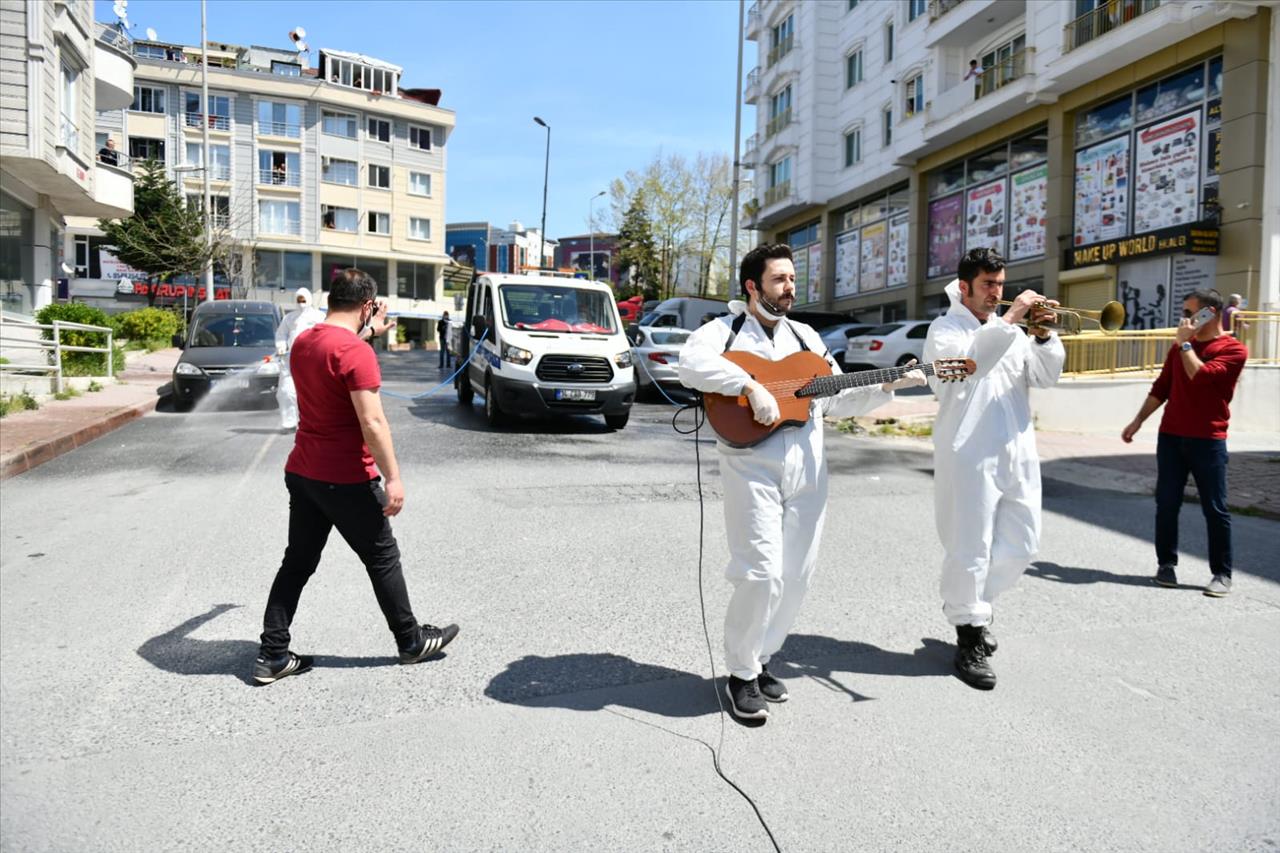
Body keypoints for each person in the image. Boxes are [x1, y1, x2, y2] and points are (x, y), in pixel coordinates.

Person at [678, 244, 925, 721]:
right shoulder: (722, 331)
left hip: (810, 470)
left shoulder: (808, 337)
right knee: (760, 572)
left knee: (796, 576)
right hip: (752, 464)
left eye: (792, 279)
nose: (790, 287)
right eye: (779, 279)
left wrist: (888, 385)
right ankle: (741, 674)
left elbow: (834, 398)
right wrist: (748, 386)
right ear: (752, 286)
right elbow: (691, 364)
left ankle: (763, 658)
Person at [253, 268, 459, 684]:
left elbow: (335, 356)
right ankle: (411, 641)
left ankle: (272, 654)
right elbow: (374, 423)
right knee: (382, 557)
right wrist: (394, 478)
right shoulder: (354, 352)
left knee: (297, 563)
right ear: (367, 305)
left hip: (304, 471)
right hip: (345, 476)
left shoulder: (305, 341)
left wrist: (368, 334)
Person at [923, 247, 1064, 691]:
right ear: (964, 286)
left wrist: (1042, 336)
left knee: (1023, 544)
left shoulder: (1014, 333)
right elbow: (968, 367)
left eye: (1001, 285)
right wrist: (1014, 318)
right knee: (970, 546)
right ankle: (969, 635)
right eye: (988, 285)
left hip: (1016, 448)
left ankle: (972, 609)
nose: (996, 293)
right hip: (968, 453)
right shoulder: (944, 331)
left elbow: (1045, 378)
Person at [1121, 288, 1248, 597]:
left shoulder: (1233, 350)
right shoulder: (1180, 347)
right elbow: (1163, 387)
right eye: (1185, 313)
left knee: (1215, 508)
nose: (1185, 319)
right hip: (1171, 438)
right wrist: (1138, 421)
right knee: (1166, 503)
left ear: (1211, 314)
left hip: (1208, 440)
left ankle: (1222, 573)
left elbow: (1201, 377)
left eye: (1192, 313)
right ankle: (1166, 564)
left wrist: (1185, 344)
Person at [274, 287, 324, 431]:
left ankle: (310, 422)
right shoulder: (289, 318)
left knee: (311, 392)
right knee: (286, 391)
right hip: (290, 359)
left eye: (303, 300)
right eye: (299, 300)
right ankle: (289, 422)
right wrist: (281, 346)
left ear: (309, 299)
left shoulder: (319, 317)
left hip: (311, 360)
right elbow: (281, 335)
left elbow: (325, 334)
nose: (301, 303)